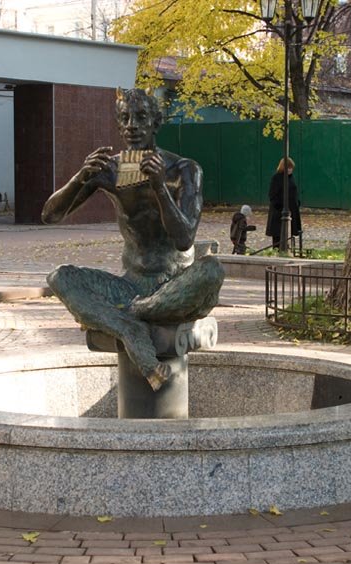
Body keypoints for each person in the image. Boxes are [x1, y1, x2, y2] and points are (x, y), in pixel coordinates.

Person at [41, 88, 224, 391]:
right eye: (124, 118)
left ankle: (126, 314)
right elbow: (50, 215)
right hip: (131, 285)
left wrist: (159, 188)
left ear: (156, 122)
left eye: (140, 117)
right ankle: (128, 327)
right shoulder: (111, 170)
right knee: (60, 277)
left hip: (176, 285)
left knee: (213, 270)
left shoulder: (185, 170)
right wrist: (81, 177)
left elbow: (183, 239)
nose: (131, 126)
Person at [265, 157, 301, 248]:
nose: (290, 170)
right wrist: (281, 207)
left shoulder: (291, 177)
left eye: (291, 168)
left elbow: (293, 191)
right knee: (278, 234)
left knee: (289, 233)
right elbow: (272, 195)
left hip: (291, 210)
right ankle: (279, 249)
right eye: (288, 168)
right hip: (279, 212)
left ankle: (286, 248)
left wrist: (296, 203)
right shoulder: (277, 178)